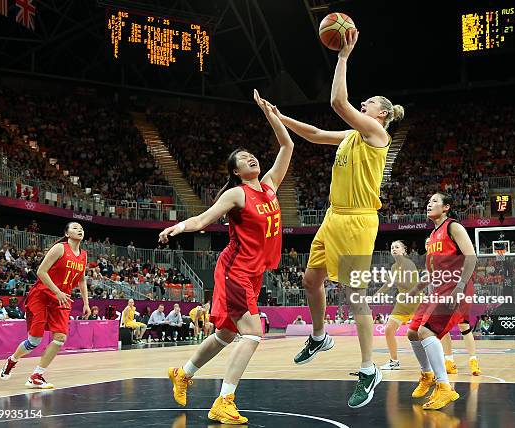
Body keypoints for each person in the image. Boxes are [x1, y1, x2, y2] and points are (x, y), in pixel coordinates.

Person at [274, 29, 403, 408]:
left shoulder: (377, 134)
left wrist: (344, 56)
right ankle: (319, 335)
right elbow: (314, 134)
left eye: (370, 102)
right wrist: (280, 117)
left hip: (359, 222)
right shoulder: (351, 137)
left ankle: (369, 368)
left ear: (381, 114)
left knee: (355, 297)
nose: (363, 103)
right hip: (333, 217)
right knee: (310, 279)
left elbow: (337, 100)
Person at [160, 89, 293, 425]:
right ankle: (224, 400)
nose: (251, 159)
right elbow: (204, 219)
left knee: (226, 335)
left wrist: (270, 114)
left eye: (252, 155)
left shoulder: (269, 187)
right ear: (235, 171)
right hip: (236, 271)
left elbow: (287, 146)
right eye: (243, 158)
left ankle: (183, 373)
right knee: (252, 334)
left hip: (254, 271)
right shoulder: (237, 193)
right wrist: (179, 226)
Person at [406, 193, 477, 410]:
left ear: (446, 207)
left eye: (435, 201)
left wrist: (459, 286)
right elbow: (431, 272)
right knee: (413, 332)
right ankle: (427, 375)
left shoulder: (452, 227)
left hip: (455, 288)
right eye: (428, 201)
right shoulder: (433, 235)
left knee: (426, 333)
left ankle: (444, 387)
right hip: (438, 290)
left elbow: (471, 256)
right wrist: (416, 289)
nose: (429, 204)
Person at [0, 222, 90, 388]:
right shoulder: (60, 248)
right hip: (42, 294)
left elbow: (82, 280)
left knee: (60, 338)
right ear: (67, 233)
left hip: (62, 298)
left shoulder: (83, 255)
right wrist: (57, 292)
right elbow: (41, 271)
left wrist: (86, 303)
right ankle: (12, 360)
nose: (79, 230)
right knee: (34, 340)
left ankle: (37, 375)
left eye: (81, 228)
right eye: (75, 228)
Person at [375, 241, 420, 371]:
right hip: (402, 304)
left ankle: (441, 360)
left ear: (403, 251)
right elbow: (388, 285)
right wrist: (374, 296)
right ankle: (394, 362)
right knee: (389, 330)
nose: (394, 249)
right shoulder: (394, 267)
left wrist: (394, 280)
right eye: (392, 247)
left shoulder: (409, 264)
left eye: (397, 247)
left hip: (416, 301)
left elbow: (411, 286)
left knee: (425, 333)